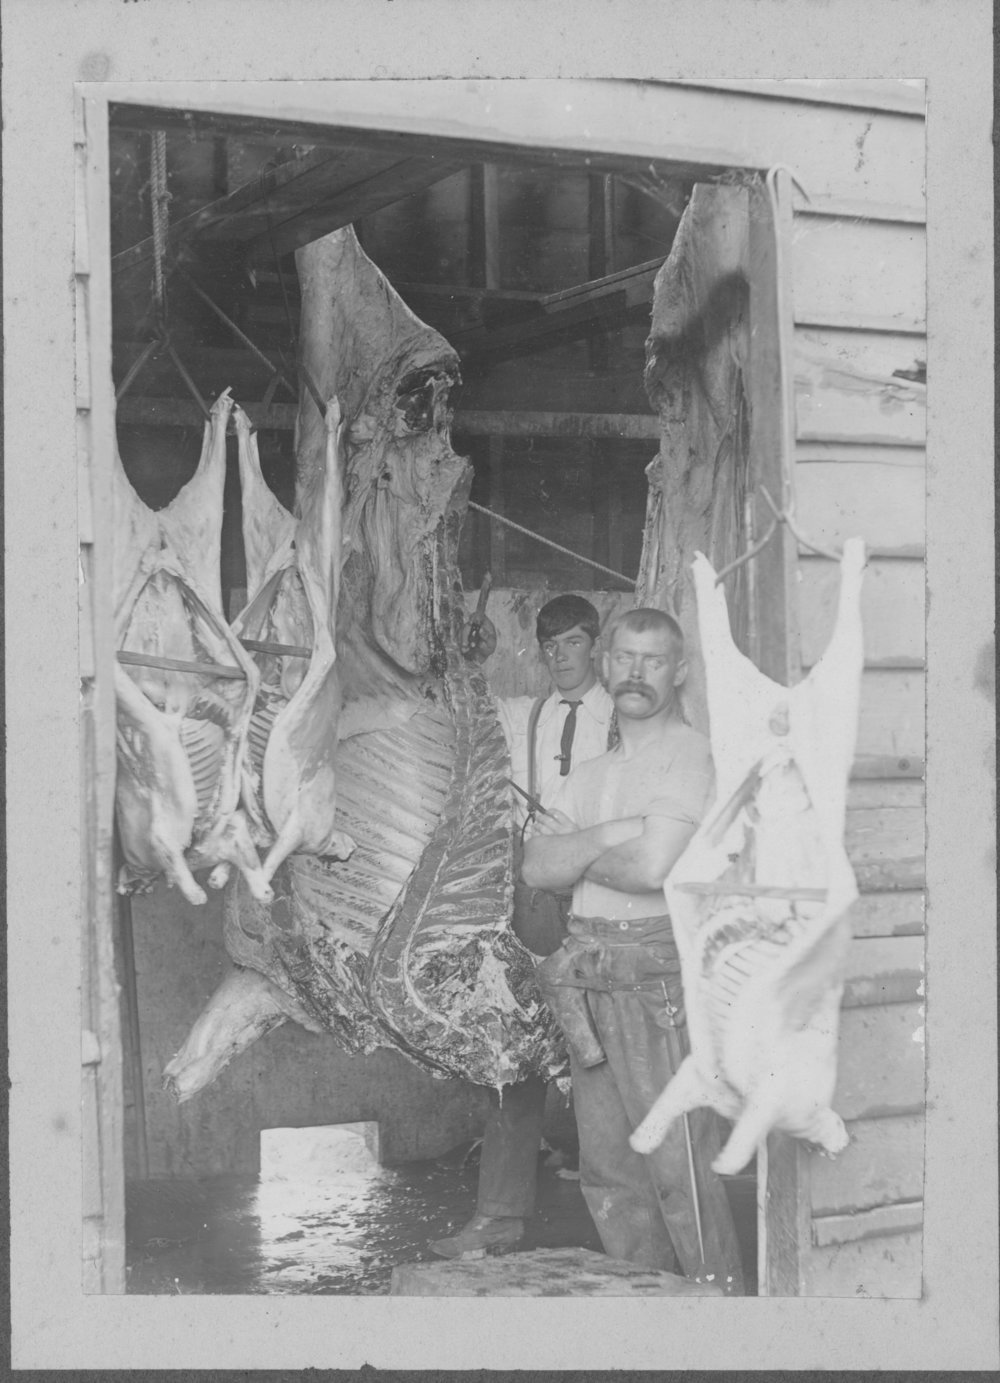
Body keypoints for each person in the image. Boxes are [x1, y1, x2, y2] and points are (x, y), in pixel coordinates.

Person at [521, 607, 745, 1292]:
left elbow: (652, 868)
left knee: (679, 1166)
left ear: (679, 671)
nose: (635, 672)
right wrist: (615, 831)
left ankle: (720, 1316)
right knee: (610, 1173)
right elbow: (534, 868)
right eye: (623, 656)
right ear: (606, 662)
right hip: (588, 972)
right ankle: (647, 1322)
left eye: (653, 660)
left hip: (656, 973)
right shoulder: (587, 773)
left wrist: (579, 848)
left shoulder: (691, 753)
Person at [429, 593, 615, 1258]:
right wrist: (470, 656)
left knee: (611, 1052)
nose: (561, 655)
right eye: (550, 645)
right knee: (512, 1046)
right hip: (535, 900)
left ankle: (626, 1227)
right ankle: (498, 1216)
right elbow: (465, 705)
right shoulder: (524, 714)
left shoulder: (624, 717)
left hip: (608, 895)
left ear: (595, 643)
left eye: (572, 641)